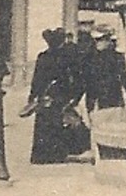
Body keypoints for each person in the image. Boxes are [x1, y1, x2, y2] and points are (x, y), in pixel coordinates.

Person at [27, 28, 85, 163]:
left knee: (44, 126)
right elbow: (76, 77)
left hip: (45, 95)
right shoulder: (67, 56)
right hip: (61, 94)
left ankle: (41, 156)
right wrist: (75, 96)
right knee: (58, 124)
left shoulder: (43, 56)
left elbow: (37, 79)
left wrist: (33, 95)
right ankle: (57, 154)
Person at [83, 28, 126, 125]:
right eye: (96, 40)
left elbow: (123, 76)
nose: (98, 43)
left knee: (115, 129)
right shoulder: (89, 58)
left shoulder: (117, 57)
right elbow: (86, 80)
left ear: (108, 40)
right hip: (95, 100)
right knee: (97, 129)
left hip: (114, 98)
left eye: (101, 40)